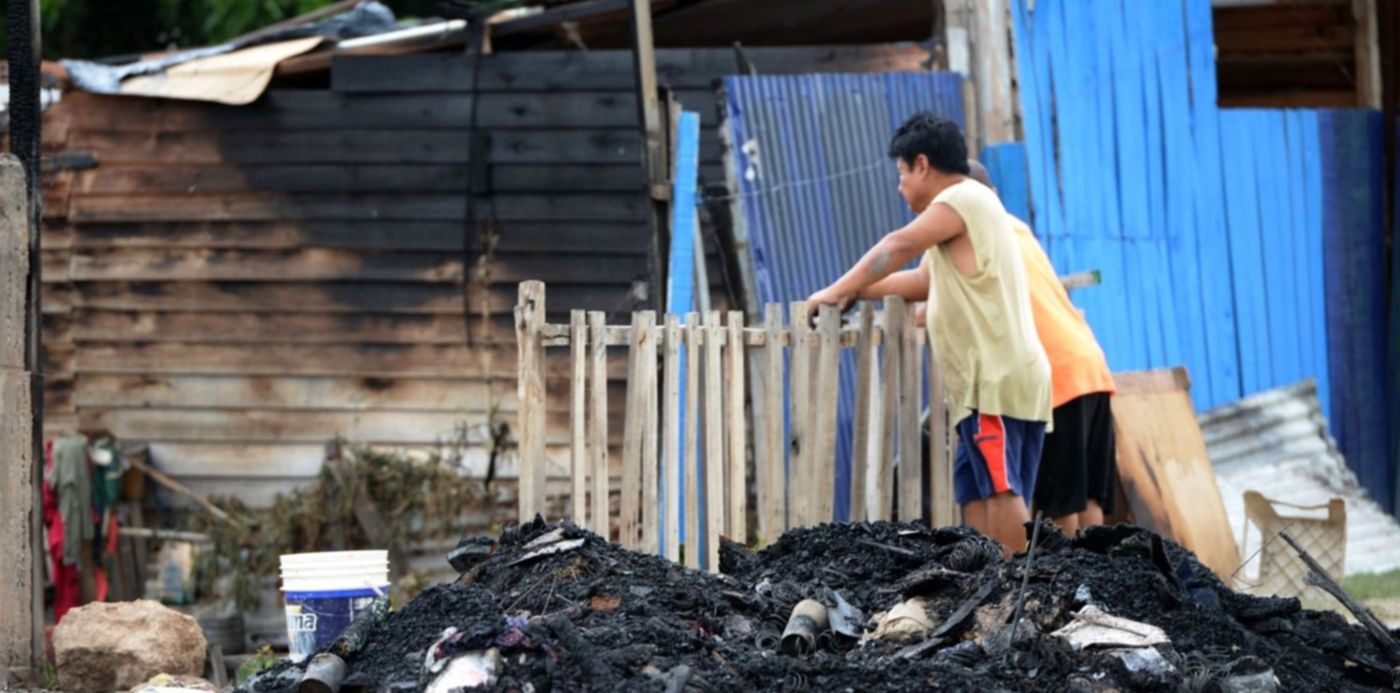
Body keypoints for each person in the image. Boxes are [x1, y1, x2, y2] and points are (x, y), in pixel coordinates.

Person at [806, 113, 1051, 554]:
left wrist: (834, 289)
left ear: (922, 164)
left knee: (1000, 488)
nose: (900, 187)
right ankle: (988, 585)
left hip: (993, 379)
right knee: (975, 490)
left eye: (901, 174)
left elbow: (895, 247)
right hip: (987, 384)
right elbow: (918, 283)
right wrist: (850, 294)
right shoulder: (958, 225)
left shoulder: (964, 198)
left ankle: (1019, 594)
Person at [961, 162, 1119, 533]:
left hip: (1056, 375)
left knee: (1060, 503)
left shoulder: (978, 237)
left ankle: (1067, 585)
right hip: (1090, 365)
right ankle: (1096, 581)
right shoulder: (1018, 228)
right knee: (1089, 498)